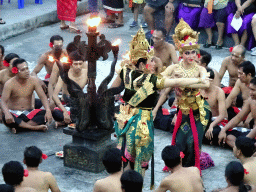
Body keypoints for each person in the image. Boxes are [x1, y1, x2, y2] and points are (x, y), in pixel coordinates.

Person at [112, 27, 208, 178]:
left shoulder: (126, 72)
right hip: (142, 123)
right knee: (141, 161)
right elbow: (177, 80)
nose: (154, 61)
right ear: (143, 65)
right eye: (150, 60)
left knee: (126, 156)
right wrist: (200, 80)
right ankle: (137, 185)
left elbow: (120, 69)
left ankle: (125, 184)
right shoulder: (152, 79)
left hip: (126, 120)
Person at [155, 19, 211, 172]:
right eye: (187, 52)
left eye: (193, 52)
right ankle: (180, 169)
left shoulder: (200, 69)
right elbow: (160, 82)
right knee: (180, 141)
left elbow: (206, 84)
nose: (191, 55)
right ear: (181, 53)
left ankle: (192, 170)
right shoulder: (174, 67)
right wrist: (193, 81)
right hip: (183, 109)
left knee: (193, 141)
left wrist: (177, 81)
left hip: (200, 109)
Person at [1, 58, 53, 134]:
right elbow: (3, 101)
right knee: (6, 117)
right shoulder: (9, 84)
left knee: (46, 114)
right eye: (23, 70)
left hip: (29, 113)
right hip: (14, 113)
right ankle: (34, 127)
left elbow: (42, 97)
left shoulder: (34, 80)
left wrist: (48, 110)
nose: (27, 71)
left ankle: (20, 128)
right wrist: (7, 113)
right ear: (16, 71)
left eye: (27, 68)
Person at [52, 51, 88, 127]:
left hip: (81, 102)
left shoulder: (86, 72)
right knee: (56, 113)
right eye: (75, 64)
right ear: (71, 64)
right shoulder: (65, 74)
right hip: (68, 103)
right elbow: (54, 95)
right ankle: (77, 121)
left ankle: (65, 123)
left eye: (80, 64)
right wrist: (64, 111)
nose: (78, 66)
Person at [218, 77, 256, 148]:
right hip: (252, 134)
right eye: (250, 89)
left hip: (253, 135)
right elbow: (238, 118)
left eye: (253, 90)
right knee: (227, 136)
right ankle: (242, 150)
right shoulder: (251, 100)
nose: (250, 92)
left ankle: (242, 150)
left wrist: (245, 140)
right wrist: (223, 129)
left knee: (243, 142)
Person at [202, 68, 227, 145]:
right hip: (202, 119)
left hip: (216, 121)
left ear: (211, 80)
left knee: (211, 133)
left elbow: (222, 115)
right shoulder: (199, 89)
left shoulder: (219, 92)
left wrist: (211, 125)